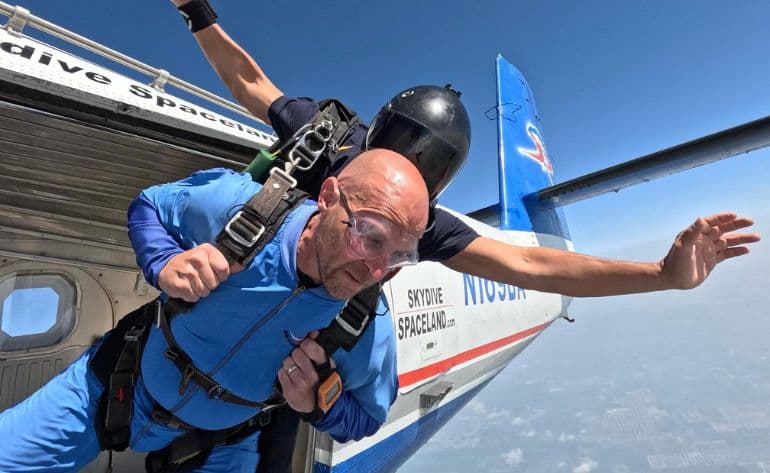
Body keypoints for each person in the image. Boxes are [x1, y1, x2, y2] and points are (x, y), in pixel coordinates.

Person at [168, 1, 762, 471]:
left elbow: (536, 269)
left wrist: (662, 277)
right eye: (404, 149)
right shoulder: (325, 141)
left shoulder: (422, 225)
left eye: (430, 169)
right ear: (372, 137)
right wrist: (197, 10)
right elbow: (250, 82)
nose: (405, 181)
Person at [0, 149, 429, 472]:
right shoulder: (242, 209)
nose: (376, 270)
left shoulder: (365, 322)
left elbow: (367, 418)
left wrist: (318, 402)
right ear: (328, 197)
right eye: (370, 236)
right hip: (113, 383)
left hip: (220, 442)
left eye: (398, 257)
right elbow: (151, 204)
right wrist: (163, 262)